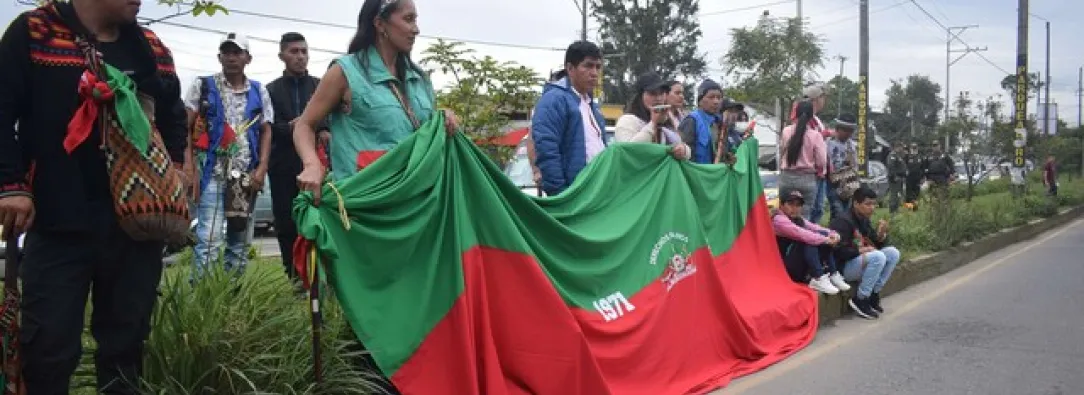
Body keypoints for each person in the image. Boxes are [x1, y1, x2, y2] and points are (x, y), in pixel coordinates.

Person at [0, 0, 188, 392]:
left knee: (126, 344)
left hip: (135, 223)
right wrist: (12, 186)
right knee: (48, 346)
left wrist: (172, 175)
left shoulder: (150, 47)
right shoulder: (35, 32)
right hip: (56, 218)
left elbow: (172, 114)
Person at [185, 33, 274, 280]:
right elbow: (187, 127)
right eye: (227, 52)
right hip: (211, 173)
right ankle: (203, 297)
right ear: (219, 56)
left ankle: (230, 297)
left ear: (248, 58)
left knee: (240, 240)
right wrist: (189, 166)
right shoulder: (203, 86)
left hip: (246, 176)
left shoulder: (259, 90)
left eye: (237, 52)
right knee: (209, 239)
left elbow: (267, 130)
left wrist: (262, 168)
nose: (232, 57)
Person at [266, 32, 328, 282]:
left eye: (304, 51)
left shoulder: (320, 85)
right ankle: (293, 277)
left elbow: (329, 120)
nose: (300, 57)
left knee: (320, 218)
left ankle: (321, 278)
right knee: (286, 223)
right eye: (294, 52)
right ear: (282, 56)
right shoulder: (270, 90)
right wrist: (293, 127)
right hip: (282, 166)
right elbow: (267, 127)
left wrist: (321, 128)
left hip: (318, 165)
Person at [531, 41, 608, 196]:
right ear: (570, 68)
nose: (594, 73)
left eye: (598, 67)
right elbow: (546, 149)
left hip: (596, 192)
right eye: (588, 66)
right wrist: (560, 194)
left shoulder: (591, 104)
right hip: (573, 195)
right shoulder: (554, 99)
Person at [830, 186, 901, 320]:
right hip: (843, 268)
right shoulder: (843, 221)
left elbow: (875, 245)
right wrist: (861, 250)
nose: (872, 208)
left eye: (874, 204)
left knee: (893, 253)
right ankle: (861, 299)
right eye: (868, 204)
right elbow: (837, 251)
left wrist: (881, 234)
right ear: (856, 203)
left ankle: (874, 292)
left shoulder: (863, 219)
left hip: (858, 262)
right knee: (878, 256)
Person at [772, 189, 850, 294]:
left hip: (797, 266)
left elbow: (816, 228)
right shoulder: (779, 220)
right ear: (781, 205)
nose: (795, 208)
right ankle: (818, 277)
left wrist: (833, 234)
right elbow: (801, 234)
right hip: (784, 269)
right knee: (809, 239)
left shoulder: (798, 219)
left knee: (820, 235)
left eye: (798, 205)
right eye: (790, 204)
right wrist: (826, 240)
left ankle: (833, 273)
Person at [613, 72, 690, 159]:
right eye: (652, 93)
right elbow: (629, 151)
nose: (658, 98)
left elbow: (683, 147)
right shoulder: (628, 121)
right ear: (640, 96)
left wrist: (683, 150)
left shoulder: (668, 120)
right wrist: (653, 124)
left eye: (661, 93)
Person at [779, 100, 827, 219]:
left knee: (784, 215)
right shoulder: (816, 135)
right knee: (804, 216)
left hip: (786, 178)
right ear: (811, 116)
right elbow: (822, 161)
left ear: (796, 113)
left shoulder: (786, 131)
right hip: (807, 179)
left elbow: (782, 150)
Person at [678, 79, 724, 164]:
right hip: (696, 173)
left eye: (719, 97)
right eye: (711, 97)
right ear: (700, 100)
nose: (716, 101)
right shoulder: (691, 120)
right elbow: (684, 155)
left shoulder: (720, 123)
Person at [824, 114, 859, 220]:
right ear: (838, 129)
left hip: (849, 184)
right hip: (833, 184)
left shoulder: (852, 145)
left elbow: (855, 165)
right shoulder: (828, 143)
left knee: (847, 213)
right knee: (838, 212)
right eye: (846, 130)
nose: (848, 133)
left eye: (851, 131)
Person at [886, 141, 908, 214]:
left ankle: (896, 210)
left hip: (899, 178)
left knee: (898, 195)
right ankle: (892, 211)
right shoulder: (892, 155)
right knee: (894, 195)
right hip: (894, 179)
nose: (902, 149)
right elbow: (891, 166)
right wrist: (894, 176)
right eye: (901, 147)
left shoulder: (898, 156)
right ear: (897, 147)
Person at [903, 142, 926, 209]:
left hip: (917, 178)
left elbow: (923, 168)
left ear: (917, 148)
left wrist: (923, 177)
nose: (914, 149)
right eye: (913, 148)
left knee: (916, 193)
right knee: (908, 194)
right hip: (909, 178)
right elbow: (904, 166)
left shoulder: (920, 157)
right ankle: (908, 208)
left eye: (915, 147)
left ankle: (915, 208)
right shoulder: (907, 156)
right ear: (910, 148)